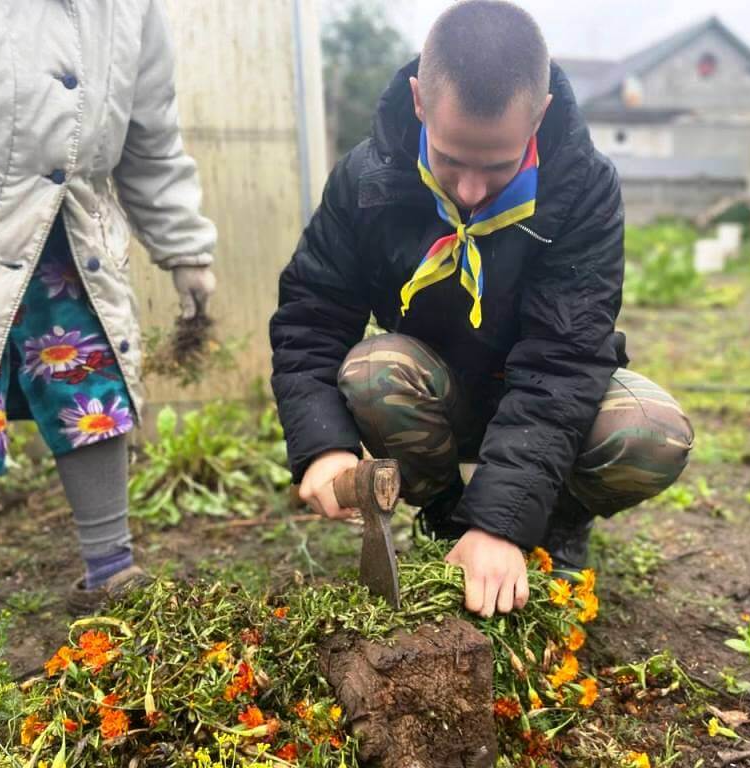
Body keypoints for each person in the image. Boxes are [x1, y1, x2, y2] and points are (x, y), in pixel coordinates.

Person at [270, 0, 693, 619]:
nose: (469, 190)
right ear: (419, 100)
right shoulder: (367, 179)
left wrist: (503, 522)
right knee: (372, 369)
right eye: (450, 159)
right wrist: (322, 447)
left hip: (537, 402)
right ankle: (443, 516)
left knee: (652, 433)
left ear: (540, 113)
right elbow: (312, 313)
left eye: (495, 166)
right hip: (436, 399)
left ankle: (554, 520)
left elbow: (564, 359)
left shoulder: (582, 189)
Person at [0, 0, 218, 655]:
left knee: (92, 387)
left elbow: (150, 140)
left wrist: (185, 251)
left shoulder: (130, 10)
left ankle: (110, 568)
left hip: (71, 233)